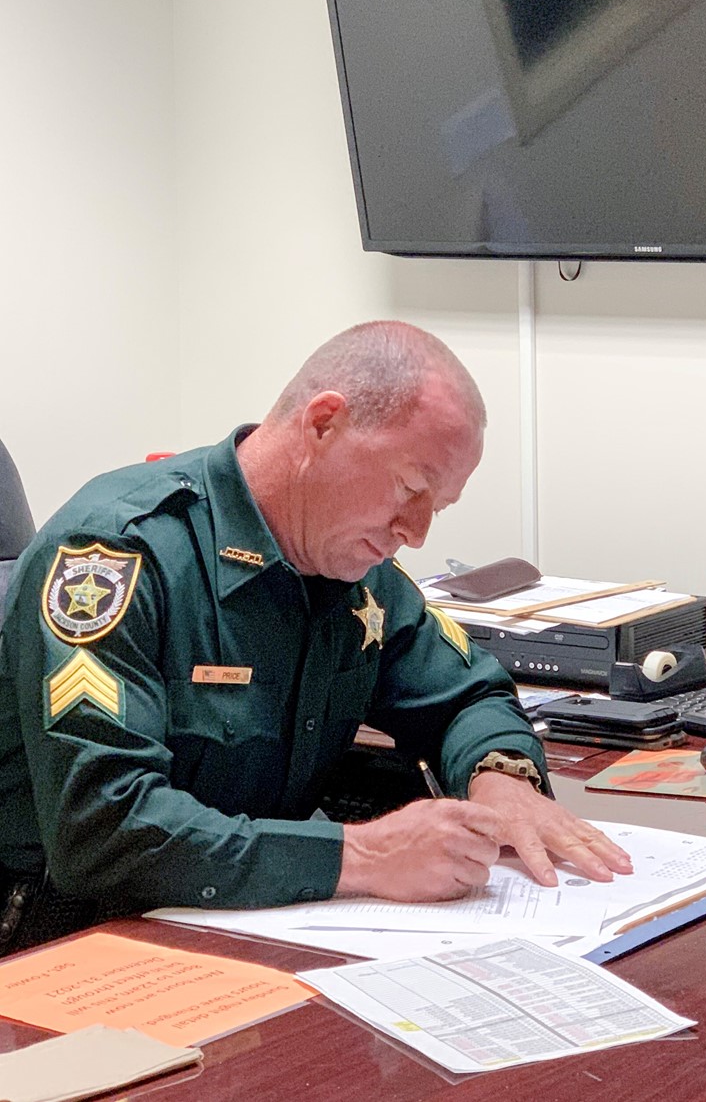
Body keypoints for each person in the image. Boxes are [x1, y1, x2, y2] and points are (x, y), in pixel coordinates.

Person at [0, 320, 631, 953]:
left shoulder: (353, 567)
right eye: (410, 489)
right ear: (323, 424)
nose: (416, 532)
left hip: (253, 923)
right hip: (66, 936)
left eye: (436, 507)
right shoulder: (114, 554)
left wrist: (501, 778)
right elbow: (103, 829)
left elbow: (466, 693)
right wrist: (363, 855)